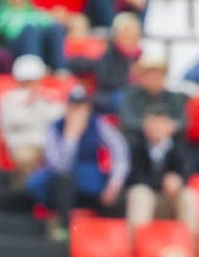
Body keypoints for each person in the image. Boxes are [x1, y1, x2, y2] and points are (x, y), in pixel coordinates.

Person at [27, 86, 129, 232]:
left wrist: (114, 184)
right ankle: (64, 228)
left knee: (120, 196)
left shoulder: (99, 125)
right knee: (62, 181)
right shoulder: (54, 128)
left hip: (90, 180)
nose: (78, 110)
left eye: (82, 106)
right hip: (64, 183)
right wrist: (71, 138)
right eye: (73, 106)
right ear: (67, 107)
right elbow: (59, 166)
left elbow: (120, 151)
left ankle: (109, 236)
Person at [125, 107, 199, 235]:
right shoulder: (135, 147)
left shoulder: (180, 147)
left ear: (171, 127)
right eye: (153, 123)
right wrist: (162, 182)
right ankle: (137, 245)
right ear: (145, 126)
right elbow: (134, 177)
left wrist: (178, 181)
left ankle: (191, 247)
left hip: (171, 198)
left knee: (189, 196)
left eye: (161, 123)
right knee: (139, 194)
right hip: (148, 197)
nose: (157, 128)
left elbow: (187, 170)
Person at [0, 54, 65, 186]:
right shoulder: (8, 99)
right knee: (25, 158)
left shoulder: (49, 96)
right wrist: (29, 104)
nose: (30, 82)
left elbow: (60, 120)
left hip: (50, 145)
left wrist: (46, 101)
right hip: (22, 144)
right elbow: (9, 122)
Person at [69, 12, 142, 113]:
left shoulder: (142, 55)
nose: (131, 35)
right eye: (127, 32)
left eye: (134, 32)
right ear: (118, 34)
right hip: (109, 94)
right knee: (125, 98)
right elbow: (106, 78)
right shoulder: (109, 52)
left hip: (137, 94)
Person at [0, 0, 67, 73]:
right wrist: (32, 21)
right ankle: (33, 72)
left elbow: (48, 21)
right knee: (30, 30)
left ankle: (59, 69)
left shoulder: (34, 12)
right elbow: (10, 30)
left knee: (55, 28)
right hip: (12, 47)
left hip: (36, 43)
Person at [121, 54, 188, 138]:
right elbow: (128, 120)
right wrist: (149, 125)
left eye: (158, 75)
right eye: (149, 75)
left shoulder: (175, 97)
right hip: (139, 140)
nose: (154, 79)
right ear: (141, 77)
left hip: (169, 140)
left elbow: (183, 121)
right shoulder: (131, 96)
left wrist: (169, 125)